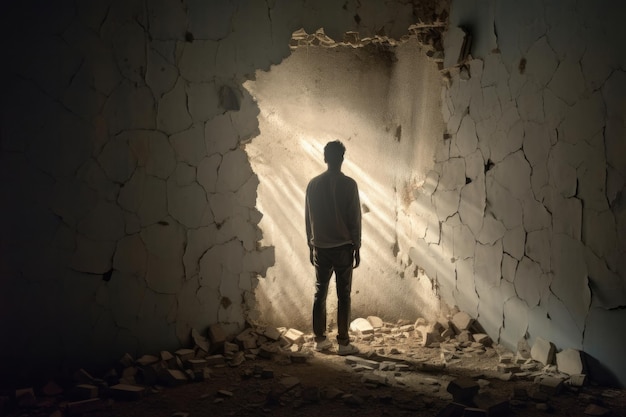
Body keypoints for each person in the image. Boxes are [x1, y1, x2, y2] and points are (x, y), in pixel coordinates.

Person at [305, 140, 361, 355]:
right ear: (342, 158)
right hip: (343, 247)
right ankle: (344, 343)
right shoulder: (349, 184)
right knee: (343, 294)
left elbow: (308, 218)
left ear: (325, 158)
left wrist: (310, 244)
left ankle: (320, 340)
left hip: (320, 246)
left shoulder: (313, 184)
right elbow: (354, 218)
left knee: (320, 292)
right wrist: (357, 245)